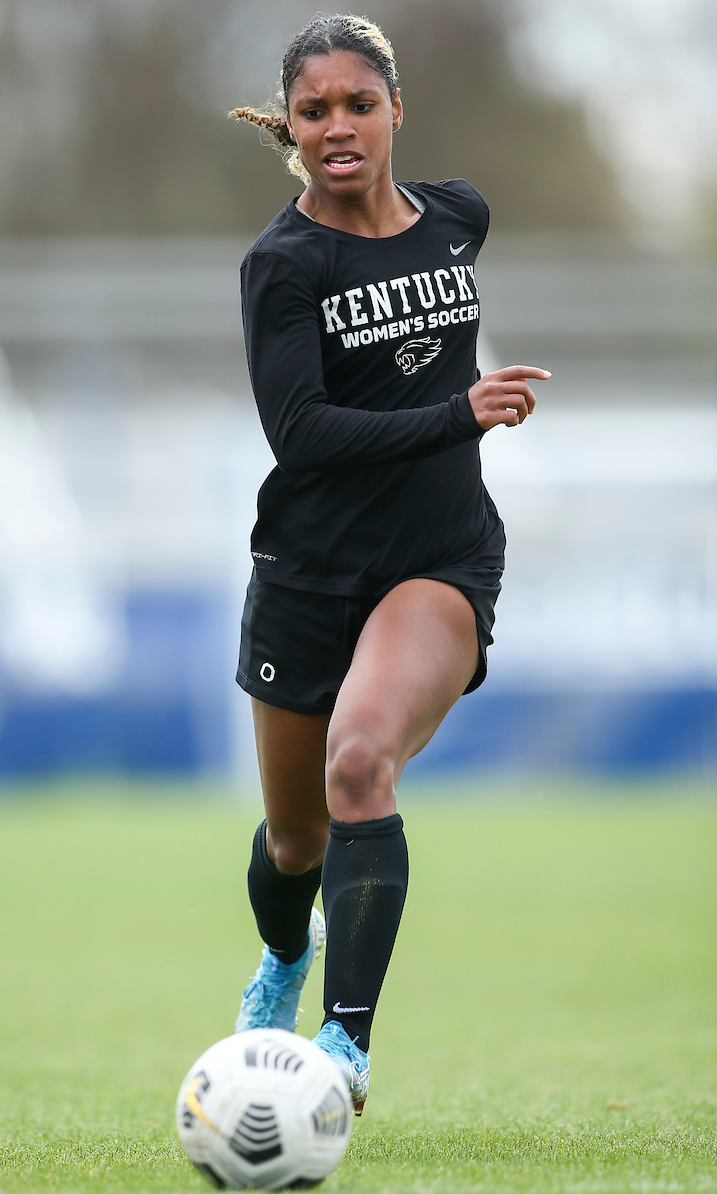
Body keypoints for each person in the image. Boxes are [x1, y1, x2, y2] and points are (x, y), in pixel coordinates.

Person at [230, 13, 549, 1114]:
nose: (337, 126)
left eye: (357, 102)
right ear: (294, 126)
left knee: (359, 764)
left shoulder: (458, 218)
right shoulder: (282, 263)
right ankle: (283, 961)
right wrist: (456, 410)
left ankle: (343, 1047)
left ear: (395, 109)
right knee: (293, 840)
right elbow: (301, 433)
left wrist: (453, 419)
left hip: (437, 558)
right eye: (313, 110)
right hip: (308, 573)